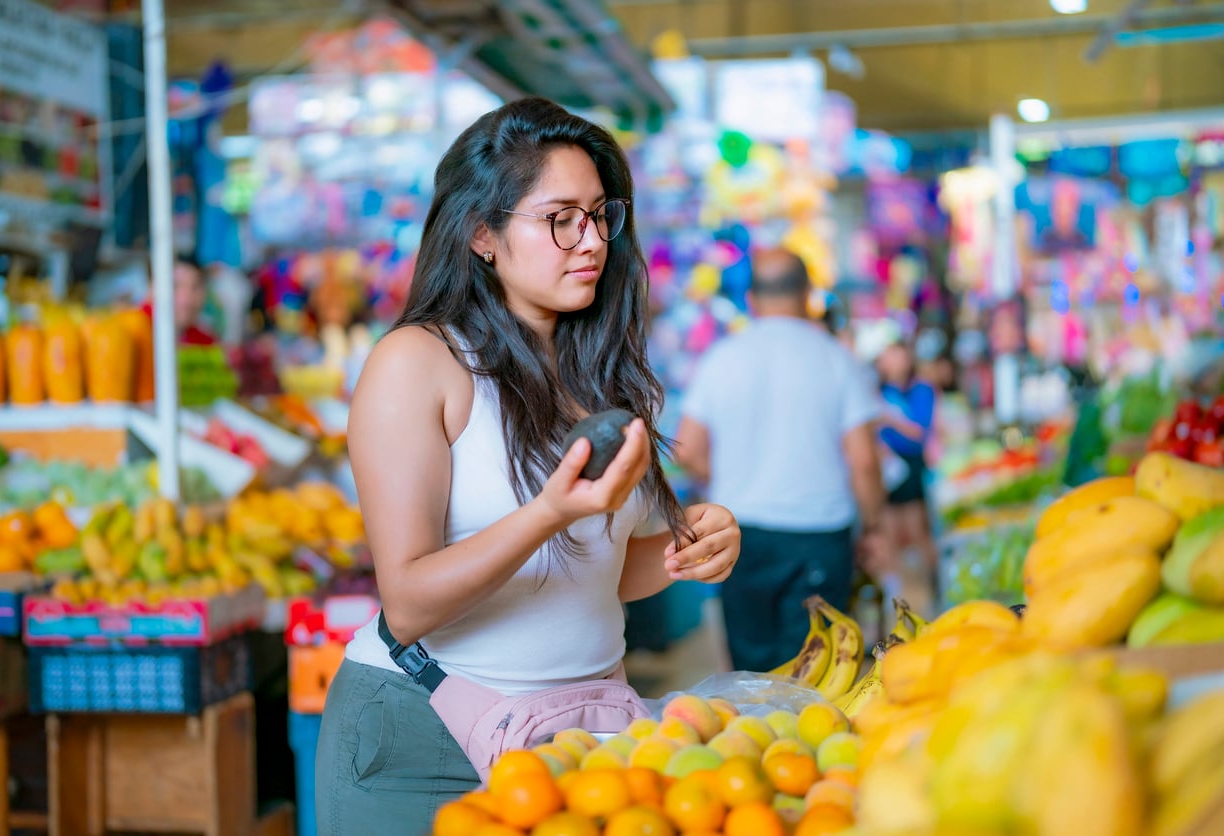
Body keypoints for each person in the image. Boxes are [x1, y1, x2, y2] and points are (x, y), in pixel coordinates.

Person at [314, 97, 741, 834]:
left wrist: (684, 552)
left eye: (600, 214)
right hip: (422, 740)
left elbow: (593, 571)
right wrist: (548, 512)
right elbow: (409, 602)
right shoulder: (418, 363)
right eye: (559, 218)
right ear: (482, 233)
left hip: (578, 737)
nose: (591, 241)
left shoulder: (599, 370)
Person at [674, 248, 886, 674]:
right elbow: (864, 462)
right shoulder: (837, 359)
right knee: (818, 673)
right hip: (820, 538)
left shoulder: (721, 358)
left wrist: (736, 478)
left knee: (752, 674)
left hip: (740, 535)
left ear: (751, 298)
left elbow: (687, 450)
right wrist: (874, 527)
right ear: (808, 293)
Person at [876, 340, 939, 585]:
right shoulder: (878, 392)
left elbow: (919, 432)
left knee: (916, 527)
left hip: (911, 466)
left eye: (898, 356)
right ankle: (895, 590)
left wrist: (889, 419)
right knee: (888, 530)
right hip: (887, 467)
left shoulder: (921, 390)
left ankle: (934, 582)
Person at [142, 257, 217, 346]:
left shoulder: (205, 344)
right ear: (151, 288)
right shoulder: (132, 332)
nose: (186, 298)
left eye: (195, 287)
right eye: (175, 286)